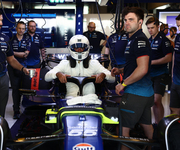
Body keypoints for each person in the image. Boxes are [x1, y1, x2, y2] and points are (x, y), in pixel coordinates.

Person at [111, 7, 154, 150]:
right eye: (125, 20)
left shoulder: (139, 40)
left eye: (131, 20)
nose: (127, 23)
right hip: (145, 93)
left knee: (122, 131)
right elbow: (136, 65)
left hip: (135, 93)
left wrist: (123, 83)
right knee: (147, 127)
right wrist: (121, 70)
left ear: (140, 22)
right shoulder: (133, 39)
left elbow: (143, 69)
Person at [45, 34, 115, 100]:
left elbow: (113, 78)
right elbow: (46, 77)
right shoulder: (65, 63)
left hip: (91, 99)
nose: (79, 50)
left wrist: (103, 75)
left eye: (82, 47)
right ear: (71, 48)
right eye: (76, 47)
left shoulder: (94, 63)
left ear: (87, 48)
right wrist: (58, 74)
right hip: (70, 99)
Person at [146, 17, 172, 124]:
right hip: (149, 74)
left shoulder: (164, 40)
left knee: (157, 100)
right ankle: (156, 124)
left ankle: (160, 125)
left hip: (160, 74)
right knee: (151, 102)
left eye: (152, 27)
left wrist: (152, 62)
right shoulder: (148, 40)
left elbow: (169, 58)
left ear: (157, 27)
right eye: (148, 28)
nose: (150, 30)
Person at [7, 21, 30, 119]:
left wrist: (13, 53)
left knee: (25, 88)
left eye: (23, 29)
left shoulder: (27, 39)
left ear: (25, 30)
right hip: (13, 68)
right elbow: (9, 56)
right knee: (15, 89)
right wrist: (14, 55)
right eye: (19, 28)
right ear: (16, 28)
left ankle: (26, 108)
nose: (21, 30)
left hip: (25, 67)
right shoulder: (10, 39)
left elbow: (26, 54)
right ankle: (16, 110)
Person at [170, 14, 180, 115]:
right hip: (176, 80)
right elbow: (174, 55)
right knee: (173, 108)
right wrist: (172, 73)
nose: (179, 28)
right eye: (178, 26)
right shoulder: (178, 38)